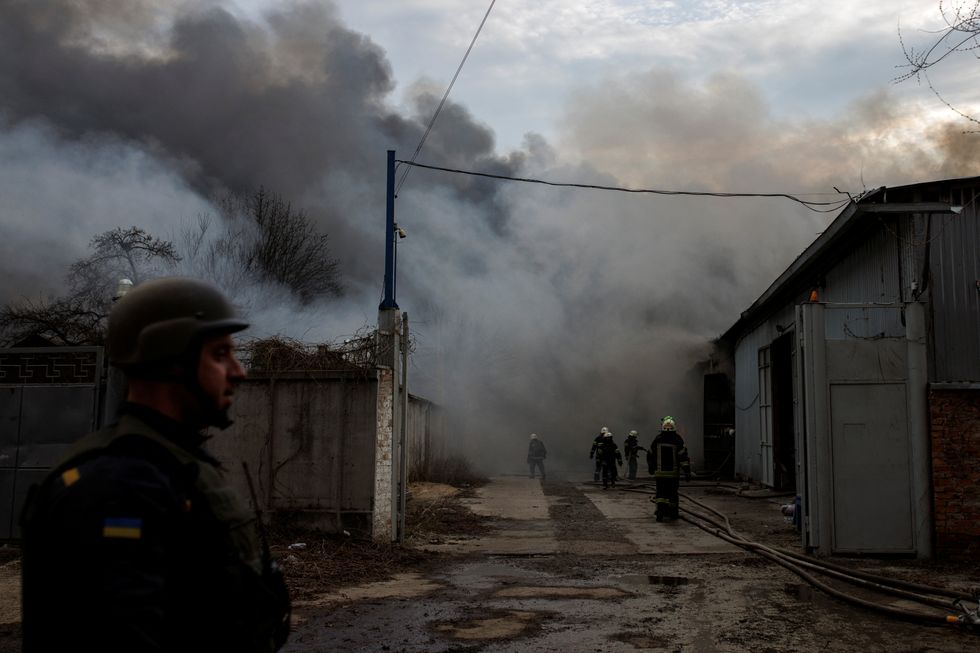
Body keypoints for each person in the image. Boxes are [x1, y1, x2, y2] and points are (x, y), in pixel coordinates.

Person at [20, 277, 291, 653]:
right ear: (173, 362)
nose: (238, 370)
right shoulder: (118, 487)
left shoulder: (169, 464)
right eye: (219, 354)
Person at [647, 415, 692, 522]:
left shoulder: (657, 439)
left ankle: (661, 511)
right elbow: (683, 458)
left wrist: (651, 467)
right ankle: (673, 513)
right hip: (672, 475)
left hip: (660, 474)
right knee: (672, 494)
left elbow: (650, 455)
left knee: (661, 493)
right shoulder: (677, 440)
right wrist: (687, 471)